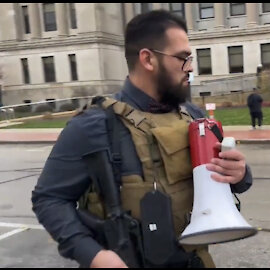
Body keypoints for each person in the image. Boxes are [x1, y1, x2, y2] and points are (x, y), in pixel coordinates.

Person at [31, 10, 253, 268]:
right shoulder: (94, 125)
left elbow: (224, 185)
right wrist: (94, 256)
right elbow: (49, 199)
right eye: (182, 58)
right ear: (148, 59)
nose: (191, 67)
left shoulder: (193, 116)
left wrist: (239, 174)